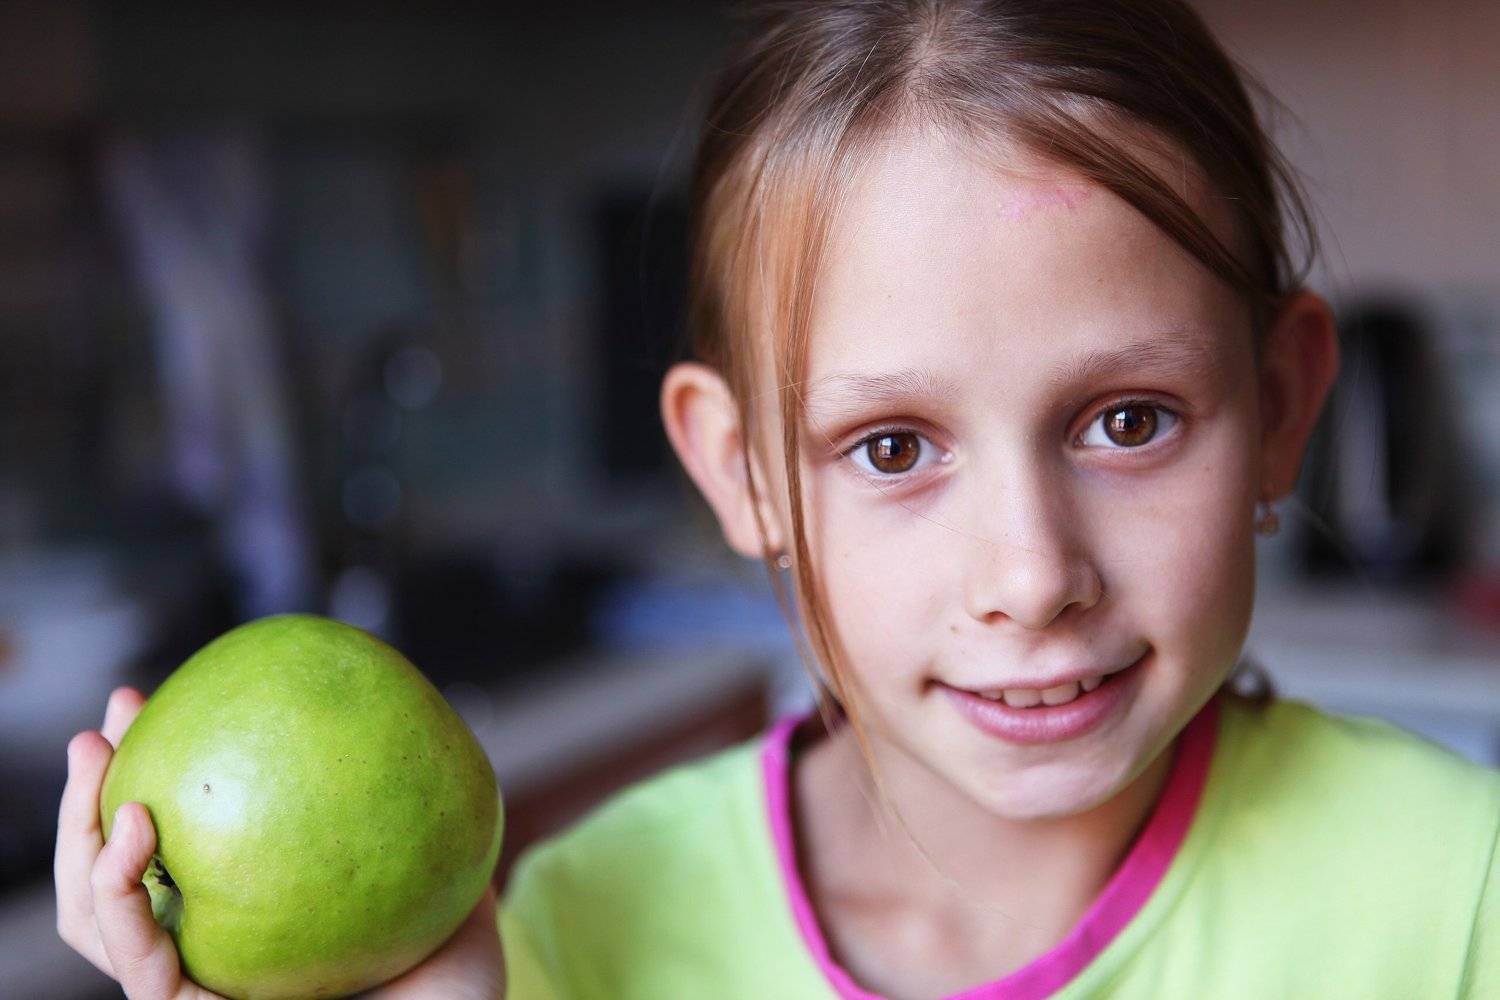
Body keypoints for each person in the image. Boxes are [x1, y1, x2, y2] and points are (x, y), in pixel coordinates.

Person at [56, 1, 1498, 998]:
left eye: (1129, 422)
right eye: (893, 448)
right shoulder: (557, 939)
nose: (1031, 575)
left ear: (1283, 408)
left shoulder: (1461, 896)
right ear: (739, 472)